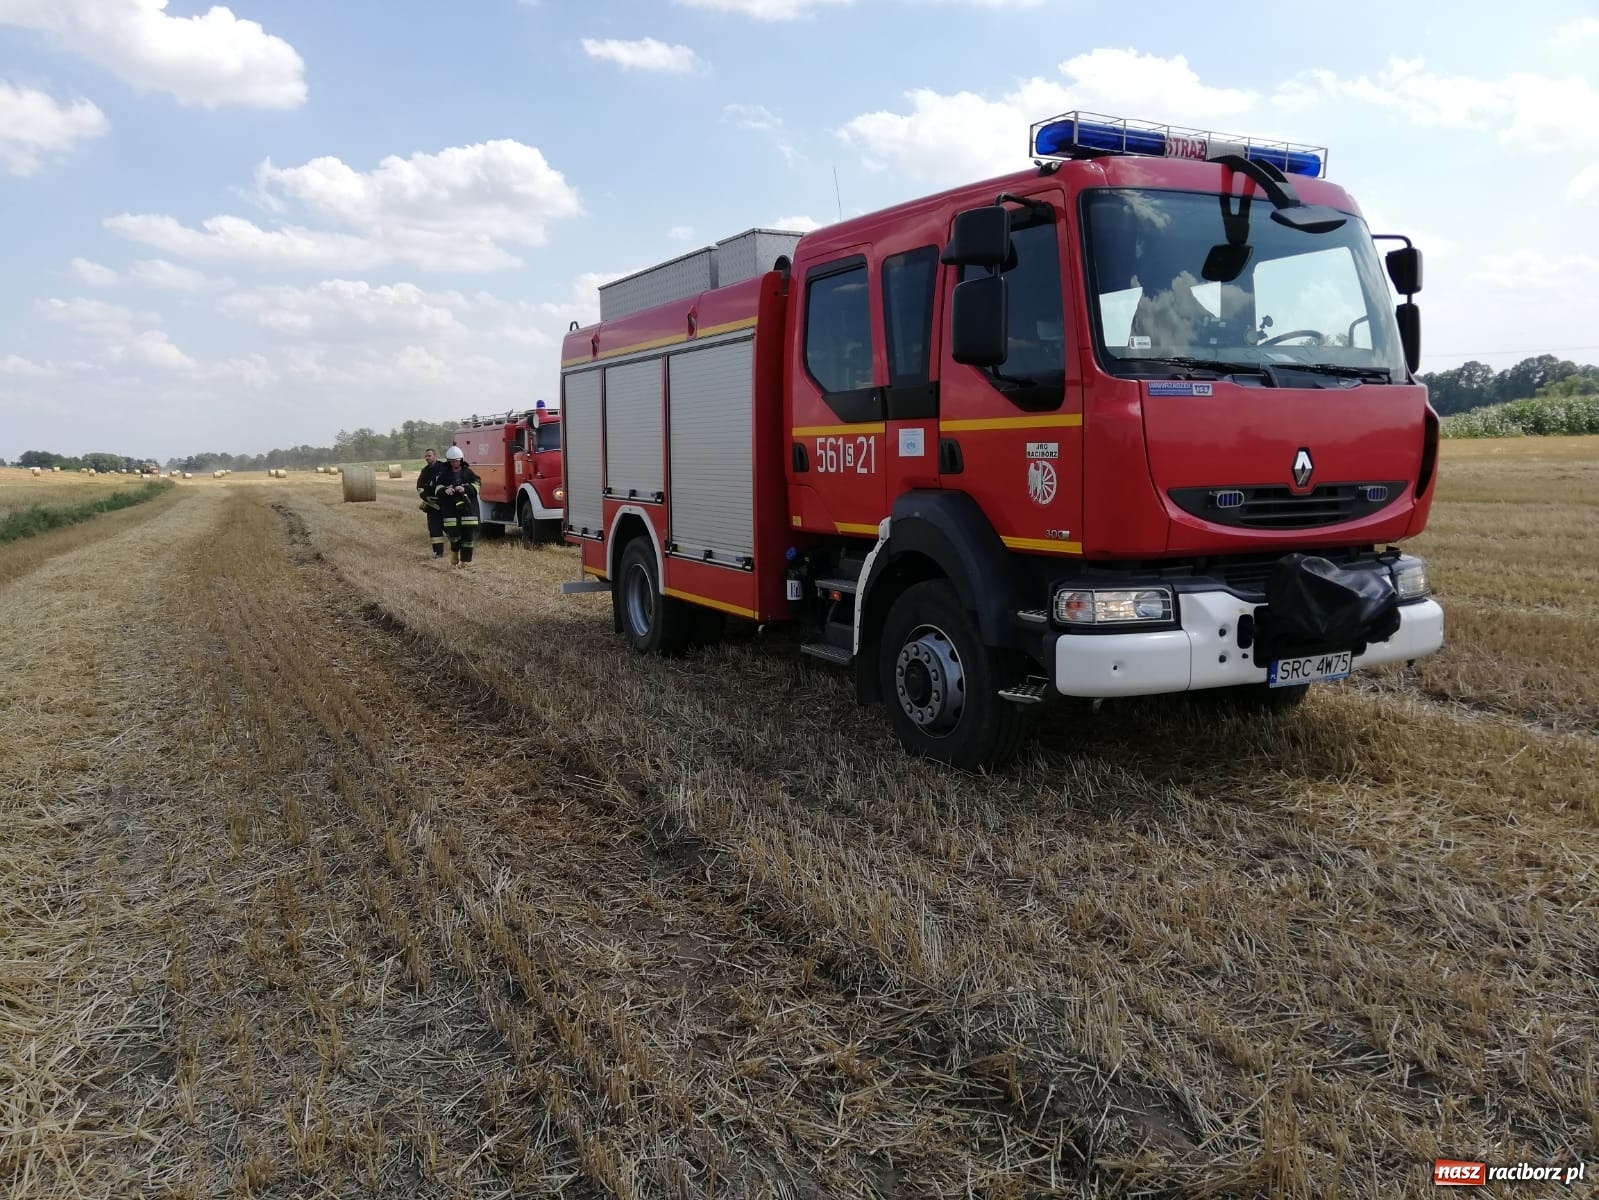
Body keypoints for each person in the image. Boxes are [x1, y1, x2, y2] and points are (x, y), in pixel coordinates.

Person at [433, 446, 481, 566]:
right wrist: (445, 490)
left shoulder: (468, 472)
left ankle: (465, 561)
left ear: (461, 460)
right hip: (451, 509)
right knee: (454, 536)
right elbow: (437, 488)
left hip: (467, 509)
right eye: (453, 461)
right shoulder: (443, 474)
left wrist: (465, 488)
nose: (455, 463)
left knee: (468, 537)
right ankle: (455, 552)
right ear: (449, 461)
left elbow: (477, 486)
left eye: (457, 460)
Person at [416, 448, 449, 558]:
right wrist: (426, 497)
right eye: (426, 456)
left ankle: (457, 548)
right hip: (431, 505)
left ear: (435, 455)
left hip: (445, 504)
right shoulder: (425, 471)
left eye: (429, 455)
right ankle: (438, 552)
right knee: (434, 530)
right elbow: (419, 488)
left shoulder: (444, 467)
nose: (427, 458)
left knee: (450, 528)